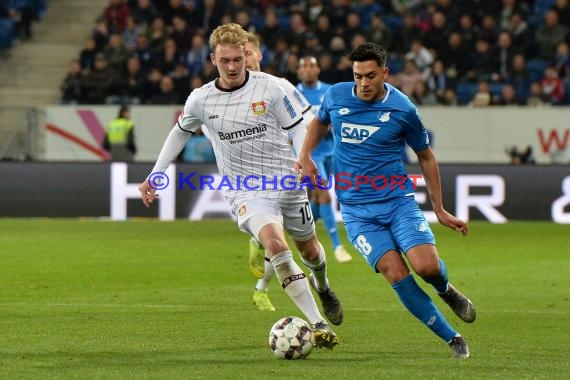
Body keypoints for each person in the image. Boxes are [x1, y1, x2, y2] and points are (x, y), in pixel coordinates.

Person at [138, 23, 341, 349]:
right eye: (225, 61)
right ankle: (318, 324)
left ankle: (323, 284)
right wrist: (155, 174)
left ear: (246, 56)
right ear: (212, 59)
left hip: (286, 182)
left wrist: (304, 157)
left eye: (237, 60)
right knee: (276, 245)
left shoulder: (272, 88)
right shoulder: (201, 100)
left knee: (311, 251)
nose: (232, 67)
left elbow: (298, 127)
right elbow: (179, 132)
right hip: (245, 190)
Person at [295, 42, 476, 358]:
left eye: (370, 76)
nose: (363, 83)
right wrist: (305, 155)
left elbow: (426, 156)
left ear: (385, 74)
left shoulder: (403, 109)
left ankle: (445, 289)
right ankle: (453, 339)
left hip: (398, 203)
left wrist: (440, 209)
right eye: (358, 76)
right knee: (396, 273)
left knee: (427, 267)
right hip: (357, 212)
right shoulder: (336, 96)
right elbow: (320, 122)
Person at [296, 55, 353, 264]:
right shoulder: (293, 94)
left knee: (315, 200)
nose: (308, 70)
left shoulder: (330, 91)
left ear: (318, 69)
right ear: (299, 72)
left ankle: (303, 232)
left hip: (333, 150)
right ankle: (338, 246)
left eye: (312, 65)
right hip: (312, 153)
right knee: (324, 195)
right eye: (304, 67)